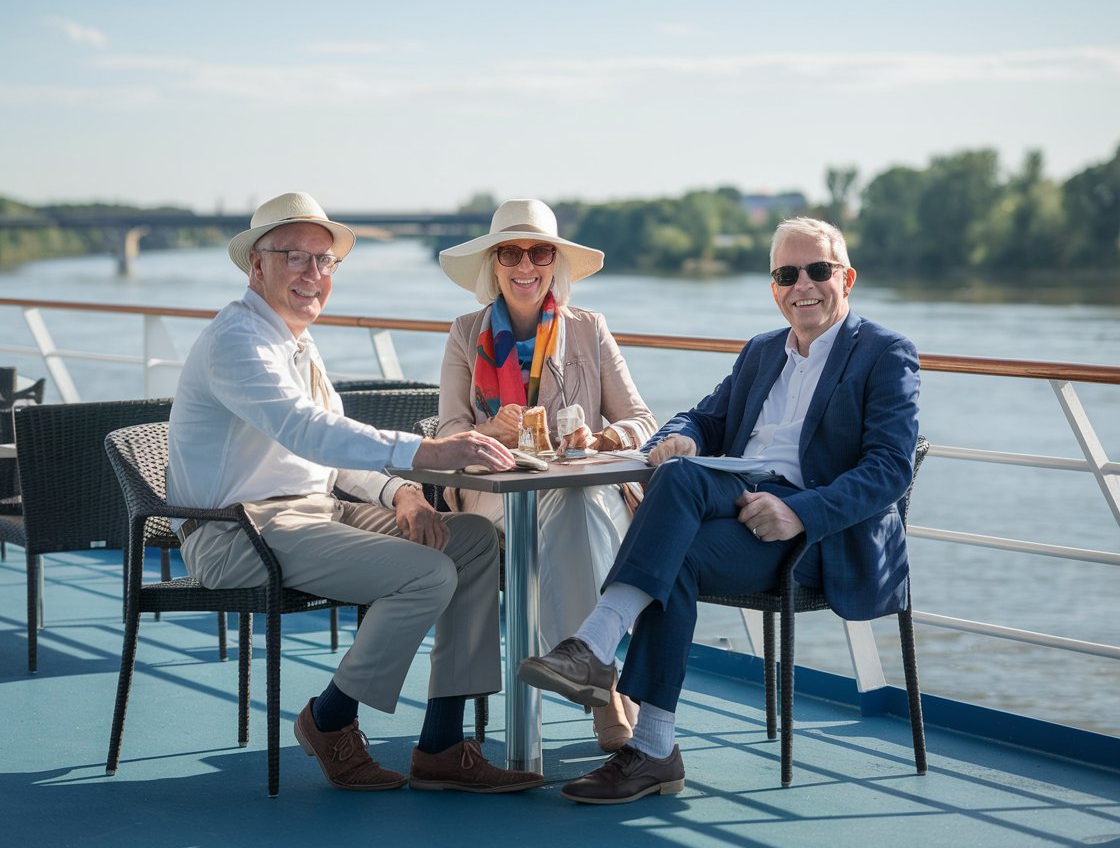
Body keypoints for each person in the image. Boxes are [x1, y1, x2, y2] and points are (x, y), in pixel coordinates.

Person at [518, 216, 921, 804]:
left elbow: (890, 468)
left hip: (812, 535)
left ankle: (601, 662)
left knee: (674, 541)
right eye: (787, 273)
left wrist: (801, 513)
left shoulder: (884, 353)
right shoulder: (762, 351)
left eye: (818, 270)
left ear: (847, 278)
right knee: (678, 477)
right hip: (742, 505)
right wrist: (680, 435)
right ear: (774, 286)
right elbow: (705, 417)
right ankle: (646, 737)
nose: (802, 284)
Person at [167, 192, 544, 794]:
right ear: (254, 266)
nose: (313, 274)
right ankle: (331, 719)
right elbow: (306, 430)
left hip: (317, 512)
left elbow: (336, 455)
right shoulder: (236, 342)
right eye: (295, 257)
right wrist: (428, 454)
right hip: (240, 530)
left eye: (324, 262)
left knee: (471, 539)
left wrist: (403, 494)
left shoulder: (297, 343)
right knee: (426, 575)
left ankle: (442, 745)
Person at [437, 199, 658, 751]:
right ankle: (606, 688)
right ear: (494, 265)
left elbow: (642, 421)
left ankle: (587, 667)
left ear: (554, 262)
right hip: (494, 494)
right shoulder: (465, 333)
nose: (525, 265)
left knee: (575, 504)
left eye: (538, 252)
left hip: (582, 493)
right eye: (511, 252)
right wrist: (493, 429)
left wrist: (603, 437)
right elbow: (446, 436)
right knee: (567, 508)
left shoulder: (590, 329)